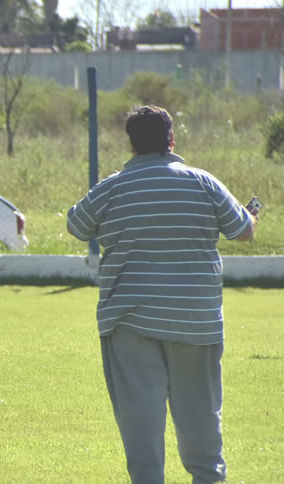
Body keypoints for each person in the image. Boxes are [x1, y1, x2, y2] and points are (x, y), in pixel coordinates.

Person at [67, 105, 257, 484]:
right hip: (196, 320)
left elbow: (77, 224)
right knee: (201, 417)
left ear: (132, 143)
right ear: (172, 139)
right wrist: (252, 215)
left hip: (129, 321)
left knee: (141, 423)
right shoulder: (204, 182)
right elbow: (242, 231)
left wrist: (115, 182)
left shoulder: (114, 185)